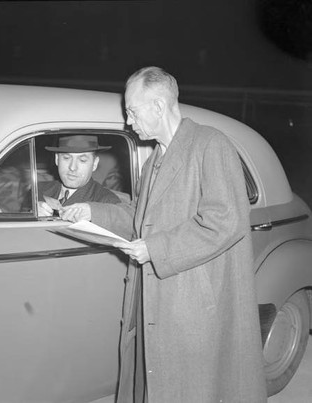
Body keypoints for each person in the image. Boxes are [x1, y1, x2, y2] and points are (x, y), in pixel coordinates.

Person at [60, 67, 267, 402]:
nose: (128, 121)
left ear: (158, 106)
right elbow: (142, 220)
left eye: (132, 110)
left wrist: (155, 249)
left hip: (196, 302)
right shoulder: (154, 160)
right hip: (161, 297)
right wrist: (92, 212)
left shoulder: (210, 145)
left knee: (196, 388)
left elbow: (225, 220)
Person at [37, 135, 121, 216]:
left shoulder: (108, 203)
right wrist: (31, 212)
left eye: (82, 160)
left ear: (94, 164)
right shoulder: (37, 191)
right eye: (66, 158)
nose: (72, 167)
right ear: (57, 159)